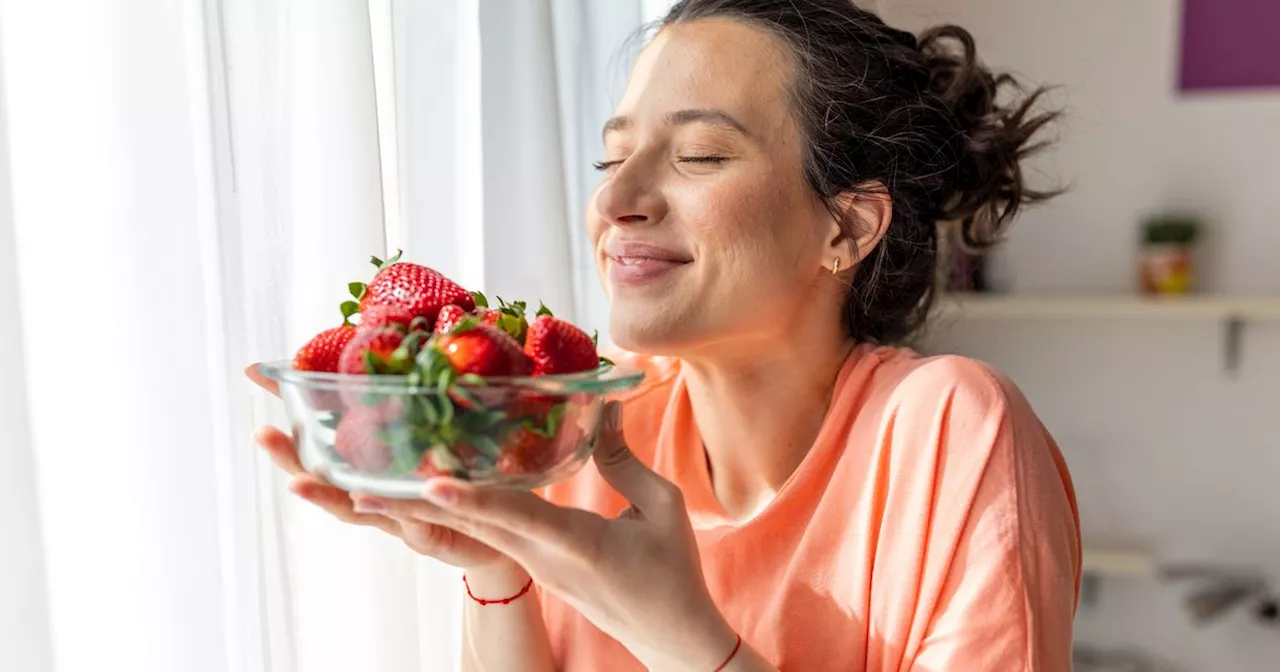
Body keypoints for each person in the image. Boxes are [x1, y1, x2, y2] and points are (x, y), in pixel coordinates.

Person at [252, 1, 1081, 669]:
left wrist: (682, 638)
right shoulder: (591, 413)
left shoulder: (949, 428)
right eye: (612, 161)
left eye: (700, 156)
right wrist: (493, 565)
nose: (619, 204)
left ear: (847, 227)